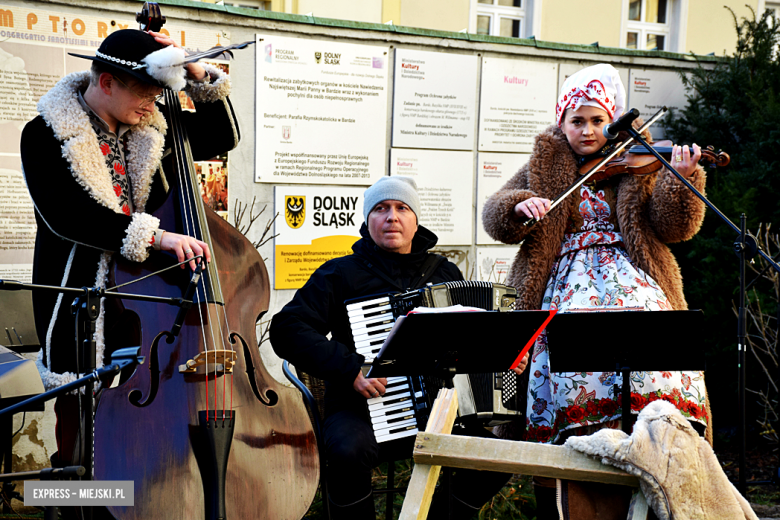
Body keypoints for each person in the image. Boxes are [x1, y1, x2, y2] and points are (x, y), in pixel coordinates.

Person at [482, 63, 711, 517]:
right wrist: (519, 206)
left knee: (657, 360)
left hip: (636, 275)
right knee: (566, 358)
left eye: (597, 120)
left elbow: (674, 227)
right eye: (577, 121)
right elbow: (494, 214)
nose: (588, 131)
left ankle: (656, 457)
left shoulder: (640, 159)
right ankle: (575, 485)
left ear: (613, 119)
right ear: (561, 123)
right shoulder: (545, 162)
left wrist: (682, 180)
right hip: (563, 281)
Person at [20, 29, 239, 469]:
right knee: (80, 422)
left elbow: (221, 137)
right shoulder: (45, 133)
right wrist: (158, 237)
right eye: (143, 92)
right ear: (106, 83)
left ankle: (138, 501)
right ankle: (74, 507)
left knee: (146, 418)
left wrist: (195, 69)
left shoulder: (152, 125)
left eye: (158, 94)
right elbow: (68, 216)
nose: (151, 104)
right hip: (82, 299)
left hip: (149, 296)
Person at [271, 176, 524, 519]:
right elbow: (287, 329)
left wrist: (502, 358)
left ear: (415, 219)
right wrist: (350, 369)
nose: (392, 216)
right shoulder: (339, 273)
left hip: (440, 409)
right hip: (361, 408)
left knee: (498, 457)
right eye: (381, 208)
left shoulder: (444, 272)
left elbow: (467, 340)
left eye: (402, 208)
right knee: (347, 451)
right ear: (367, 221)